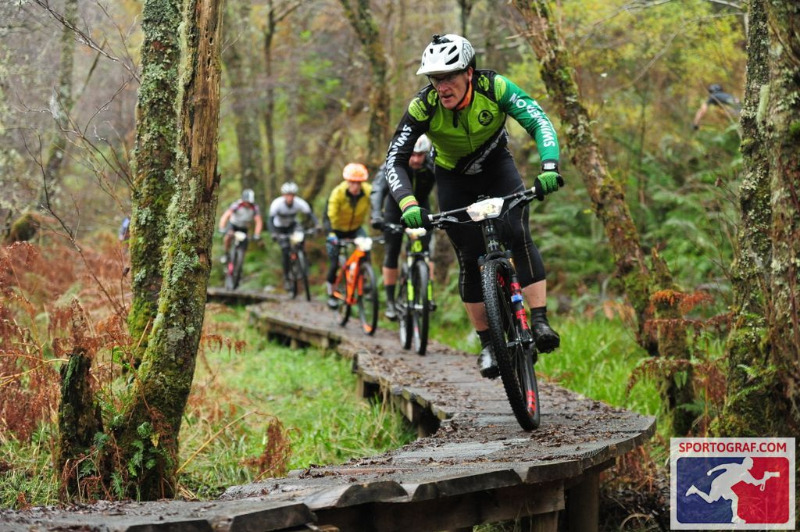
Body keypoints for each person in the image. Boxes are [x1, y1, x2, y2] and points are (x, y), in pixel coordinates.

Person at [384, 34, 563, 379]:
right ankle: (487, 343)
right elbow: (396, 159)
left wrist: (550, 166)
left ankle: (539, 321)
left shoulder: (494, 87)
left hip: (497, 166)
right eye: (435, 79)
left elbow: (538, 120)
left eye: (449, 76)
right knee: (468, 255)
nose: (442, 86)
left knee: (518, 234)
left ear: (469, 72)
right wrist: (408, 202)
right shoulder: (424, 106)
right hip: (453, 178)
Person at [370, 134, 436, 320]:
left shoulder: (432, 164)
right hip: (395, 210)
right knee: (392, 251)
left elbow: (449, 185)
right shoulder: (394, 162)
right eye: (412, 155)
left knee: (426, 251)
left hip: (422, 208)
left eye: (420, 155)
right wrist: (376, 215)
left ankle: (427, 294)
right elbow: (377, 190)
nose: (416, 159)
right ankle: (390, 301)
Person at [324, 162, 372, 309]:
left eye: (359, 183)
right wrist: (330, 233)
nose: (355, 186)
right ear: (347, 181)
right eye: (352, 182)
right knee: (334, 263)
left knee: (366, 249)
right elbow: (328, 216)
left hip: (355, 228)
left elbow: (378, 203)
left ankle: (365, 281)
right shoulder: (337, 193)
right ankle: (331, 294)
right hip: (336, 229)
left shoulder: (368, 191)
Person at [268, 181, 320, 290]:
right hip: (279, 227)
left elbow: (310, 215)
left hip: (293, 225)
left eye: (292, 195)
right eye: (287, 195)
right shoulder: (277, 204)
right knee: (285, 250)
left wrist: (317, 225)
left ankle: (302, 261)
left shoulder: (299, 203)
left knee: (301, 239)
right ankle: (287, 277)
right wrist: (273, 233)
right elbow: (270, 220)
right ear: (283, 195)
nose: (290, 198)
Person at [218, 188, 263, 262]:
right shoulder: (237, 205)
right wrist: (222, 227)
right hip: (233, 225)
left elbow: (258, 221)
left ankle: (240, 262)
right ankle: (226, 254)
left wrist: (257, 234)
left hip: (244, 228)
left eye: (249, 202)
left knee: (245, 243)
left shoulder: (255, 208)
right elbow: (226, 215)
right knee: (228, 237)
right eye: (246, 202)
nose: (248, 204)